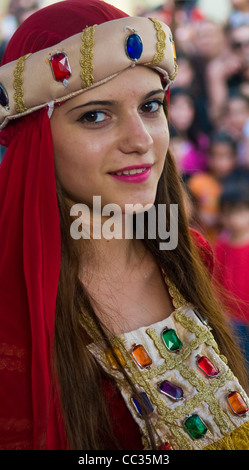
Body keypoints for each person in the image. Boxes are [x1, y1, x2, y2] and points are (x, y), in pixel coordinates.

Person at [0, 0, 249, 452]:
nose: (141, 140)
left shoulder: (190, 254)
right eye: (95, 115)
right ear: (36, 139)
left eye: (151, 106)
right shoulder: (10, 304)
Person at [214, 182, 249, 375]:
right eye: (227, 214)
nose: (234, 219)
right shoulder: (221, 244)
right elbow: (215, 280)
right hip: (233, 318)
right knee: (241, 362)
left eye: (240, 213)